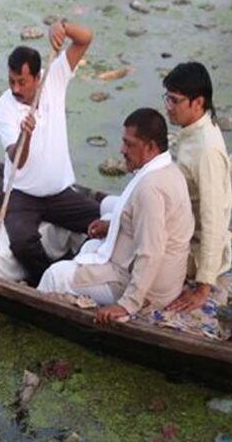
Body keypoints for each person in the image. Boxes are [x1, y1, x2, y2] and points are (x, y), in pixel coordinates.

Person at [37, 109, 194, 325]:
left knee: (55, 275)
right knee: (90, 247)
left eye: (129, 144)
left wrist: (128, 304)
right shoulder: (168, 169)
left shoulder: (150, 189)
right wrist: (112, 226)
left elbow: (151, 252)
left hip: (151, 290)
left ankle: (39, 322)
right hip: (161, 276)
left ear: (150, 147)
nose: (122, 150)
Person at [0, 20, 99, 286]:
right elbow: (17, 160)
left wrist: (62, 27)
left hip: (58, 192)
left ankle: (80, 271)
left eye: (22, 82)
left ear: (37, 78)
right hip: (21, 194)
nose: (16, 89)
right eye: (11, 81)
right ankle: (45, 282)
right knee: (22, 242)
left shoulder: (54, 78)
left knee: (103, 221)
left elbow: (85, 38)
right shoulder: (4, 106)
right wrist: (25, 135)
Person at [161, 62, 232, 313]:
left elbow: (214, 219)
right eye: (167, 98)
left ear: (198, 102)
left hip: (194, 250)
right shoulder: (194, 130)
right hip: (183, 228)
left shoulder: (207, 150)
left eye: (175, 100)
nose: (168, 106)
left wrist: (203, 287)